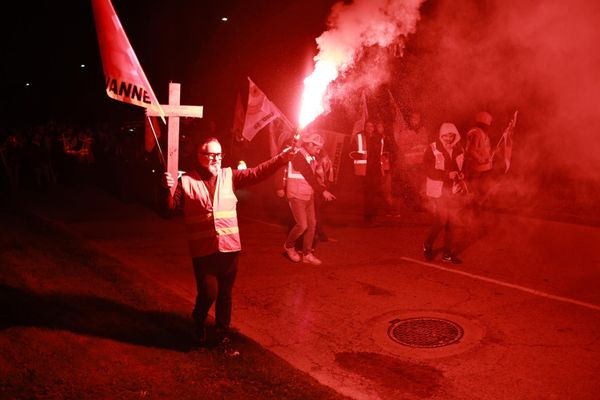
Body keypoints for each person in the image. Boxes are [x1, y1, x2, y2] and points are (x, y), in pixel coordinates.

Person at [163, 136, 293, 345]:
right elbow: (170, 207)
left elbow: (257, 172)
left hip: (229, 248)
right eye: (210, 155)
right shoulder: (186, 181)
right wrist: (166, 189)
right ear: (199, 157)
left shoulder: (229, 176)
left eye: (219, 154)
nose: (216, 159)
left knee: (225, 294)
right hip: (203, 250)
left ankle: (222, 334)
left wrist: (281, 159)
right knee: (208, 292)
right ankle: (198, 318)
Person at [281, 132, 336, 265]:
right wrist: (322, 191)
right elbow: (307, 174)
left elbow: (314, 175)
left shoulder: (311, 157)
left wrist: (322, 183)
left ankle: (307, 254)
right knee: (302, 225)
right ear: (309, 144)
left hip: (308, 195)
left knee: (312, 225)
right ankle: (289, 246)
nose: (318, 150)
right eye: (317, 147)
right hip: (296, 195)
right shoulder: (298, 156)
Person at [423, 122, 466, 264]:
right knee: (442, 220)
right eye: (446, 136)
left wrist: (462, 175)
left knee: (451, 222)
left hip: (453, 189)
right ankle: (427, 245)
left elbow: (462, 166)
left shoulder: (459, 148)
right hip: (438, 190)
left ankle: (447, 253)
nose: (449, 138)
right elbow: (428, 169)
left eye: (451, 135)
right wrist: (447, 175)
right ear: (441, 135)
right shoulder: (432, 148)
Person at [355, 120, 397, 225]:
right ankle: (368, 217)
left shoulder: (377, 138)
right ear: (365, 127)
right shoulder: (359, 137)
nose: (370, 128)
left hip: (376, 170)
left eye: (372, 126)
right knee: (368, 194)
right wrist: (359, 155)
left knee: (374, 194)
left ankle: (372, 216)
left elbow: (382, 153)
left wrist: (384, 164)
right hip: (364, 170)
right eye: (368, 126)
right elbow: (351, 151)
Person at [393, 111, 429, 211]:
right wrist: (414, 146)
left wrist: (423, 148)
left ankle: (420, 204)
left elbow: (426, 143)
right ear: (410, 120)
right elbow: (401, 147)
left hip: (421, 162)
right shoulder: (405, 132)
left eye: (418, 119)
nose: (416, 121)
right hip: (410, 162)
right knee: (412, 184)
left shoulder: (423, 131)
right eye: (414, 119)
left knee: (420, 184)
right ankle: (413, 205)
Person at [465, 111, 493, 211]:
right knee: (474, 189)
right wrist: (481, 159)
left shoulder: (483, 134)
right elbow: (470, 150)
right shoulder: (476, 133)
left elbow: (484, 149)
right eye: (488, 124)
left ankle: (478, 207)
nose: (489, 126)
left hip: (484, 168)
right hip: (476, 168)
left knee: (481, 189)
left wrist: (490, 156)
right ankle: (472, 209)